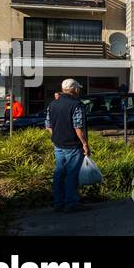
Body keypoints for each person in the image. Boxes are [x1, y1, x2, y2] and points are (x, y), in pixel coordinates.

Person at [45, 79, 90, 214]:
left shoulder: (53, 104)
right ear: (74, 89)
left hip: (58, 144)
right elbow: (78, 127)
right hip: (73, 145)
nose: (78, 91)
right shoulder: (77, 105)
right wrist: (85, 144)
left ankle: (58, 203)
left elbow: (48, 125)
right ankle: (71, 203)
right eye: (78, 89)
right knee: (72, 174)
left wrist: (56, 136)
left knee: (59, 173)